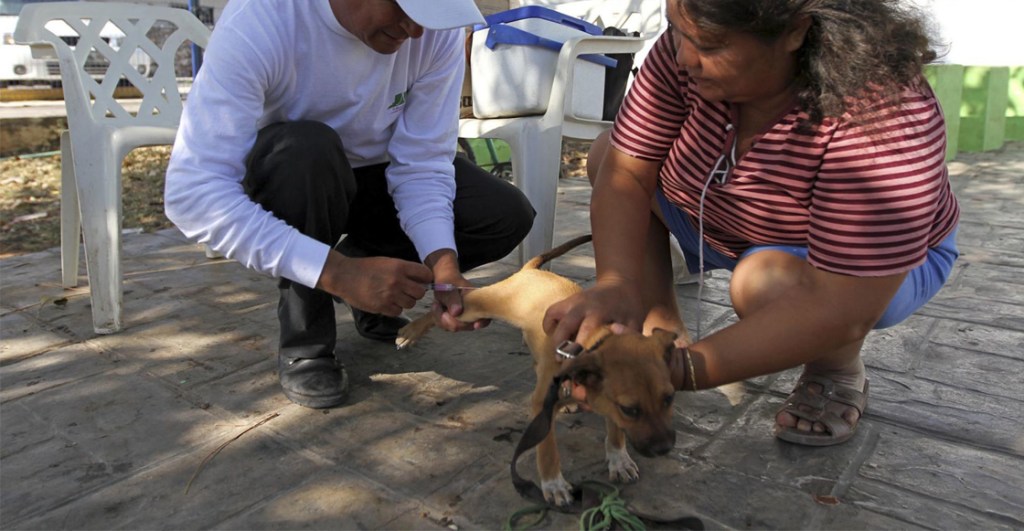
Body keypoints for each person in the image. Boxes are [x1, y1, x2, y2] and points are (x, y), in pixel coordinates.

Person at [544, 0, 959, 446]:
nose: (683, 56)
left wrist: (684, 371)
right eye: (675, 31)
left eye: (710, 44)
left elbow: (840, 305)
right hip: (722, 220)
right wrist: (617, 281)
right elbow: (627, 172)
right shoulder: (681, 56)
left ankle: (834, 367)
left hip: (858, 273)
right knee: (609, 153)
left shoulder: (883, 116)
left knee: (764, 282)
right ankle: (659, 324)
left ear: (795, 31)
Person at [165, 0, 534, 409]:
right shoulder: (261, 20)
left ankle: (370, 273)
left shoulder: (435, 31)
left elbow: (423, 163)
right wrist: (336, 272)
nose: (414, 31)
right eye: (405, 8)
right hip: (293, 176)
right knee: (307, 150)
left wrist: (443, 267)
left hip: (378, 175)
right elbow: (193, 192)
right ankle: (308, 341)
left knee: (503, 214)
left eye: (431, 14)